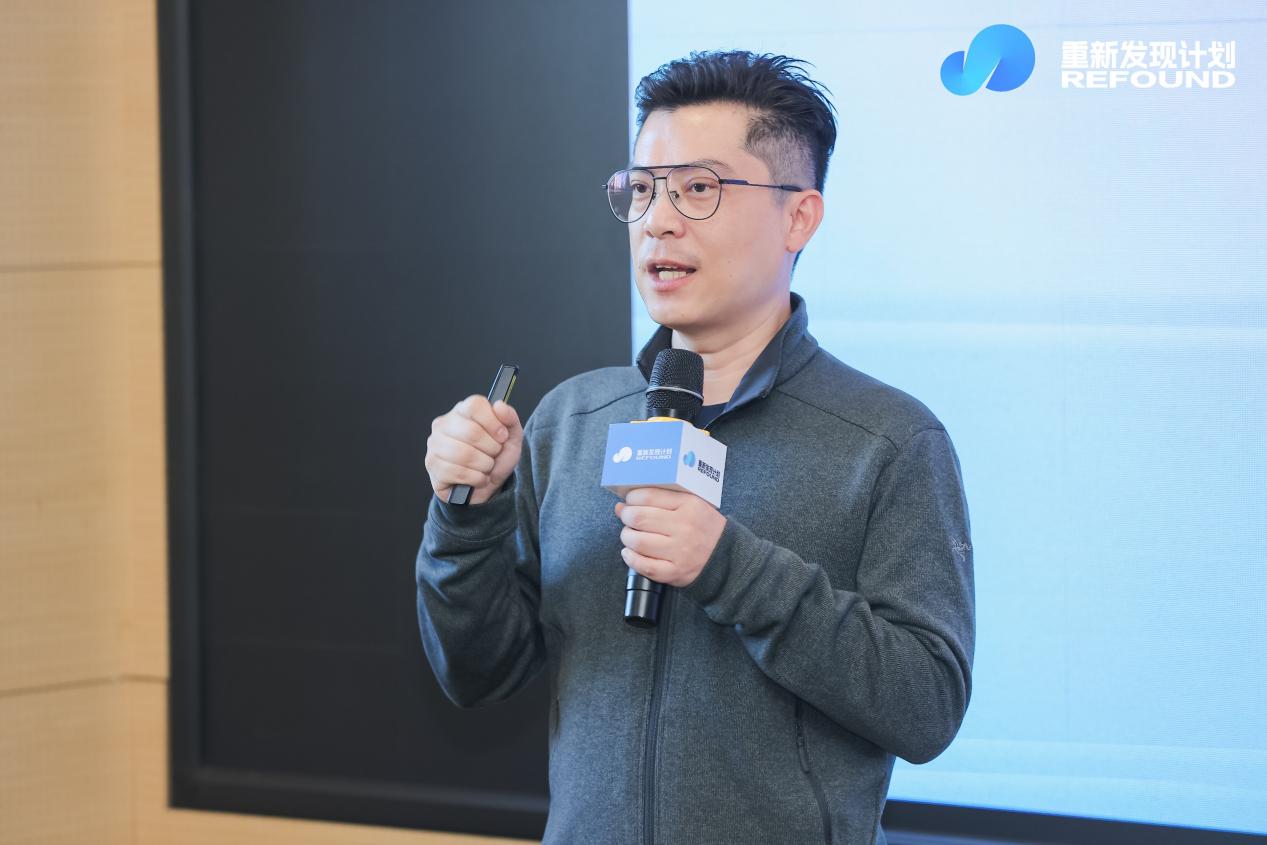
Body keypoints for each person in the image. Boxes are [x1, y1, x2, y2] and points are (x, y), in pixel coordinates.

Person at [417, 50, 975, 845]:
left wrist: (729, 567)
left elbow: (925, 706)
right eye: (642, 188)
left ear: (798, 217)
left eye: (699, 189)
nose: (658, 219)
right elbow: (475, 672)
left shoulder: (888, 440)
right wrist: (465, 516)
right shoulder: (572, 418)